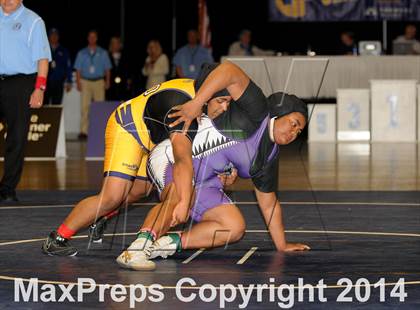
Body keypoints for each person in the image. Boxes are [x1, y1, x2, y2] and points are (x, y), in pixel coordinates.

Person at [116, 62, 310, 271]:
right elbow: (228, 70)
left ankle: (165, 245)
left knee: (233, 227)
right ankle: (136, 249)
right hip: (173, 157)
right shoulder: (257, 110)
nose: (294, 133)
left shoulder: (268, 157)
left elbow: (269, 204)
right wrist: (197, 103)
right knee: (180, 194)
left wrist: (282, 245)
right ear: (279, 112)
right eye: (294, 123)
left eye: (299, 132)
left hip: (207, 181)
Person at [41, 78, 233, 256]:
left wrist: (227, 166)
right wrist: (184, 201)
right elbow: (183, 159)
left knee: (138, 191)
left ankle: (101, 218)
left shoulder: (203, 93)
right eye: (222, 101)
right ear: (209, 96)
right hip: (129, 128)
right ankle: (57, 238)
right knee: (112, 197)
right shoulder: (183, 104)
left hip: (153, 137)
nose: (225, 108)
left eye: (228, 102)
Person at [0, 0, 51, 202]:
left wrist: (39, 88)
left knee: (16, 137)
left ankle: (7, 188)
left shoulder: (33, 21)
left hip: (20, 83)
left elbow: (43, 59)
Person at [74, 30, 112, 140]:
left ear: (96, 38)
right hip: (85, 81)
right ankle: (83, 131)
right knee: (84, 107)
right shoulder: (82, 53)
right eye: (90, 37)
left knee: (100, 107)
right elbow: (78, 69)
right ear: (88, 38)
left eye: (94, 37)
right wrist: (78, 82)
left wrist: (108, 81)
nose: (92, 39)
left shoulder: (103, 52)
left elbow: (107, 69)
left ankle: (100, 130)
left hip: (99, 81)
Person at [44, 28, 72, 105]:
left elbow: (68, 67)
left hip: (58, 82)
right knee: (44, 105)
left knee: (56, 106)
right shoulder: (43, 49)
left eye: (55, 35)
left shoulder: (64, 50)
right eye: (52, 35)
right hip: (45, 83)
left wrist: (69, 81)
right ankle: (46, 117)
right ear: (48, 36)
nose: (54, 37)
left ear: (58, 37)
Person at [106, 36, 132, 101]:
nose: (115, 45)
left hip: (123, 85)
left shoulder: (125, 55)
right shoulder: (106, 56)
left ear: (120, 45)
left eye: (117, 43)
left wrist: (129, 80)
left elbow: (129, 69)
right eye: (113, 43)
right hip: (111, 86)